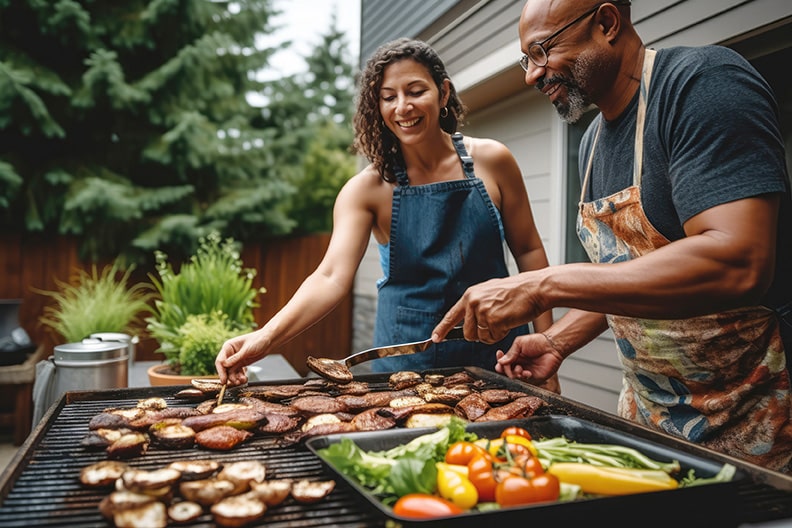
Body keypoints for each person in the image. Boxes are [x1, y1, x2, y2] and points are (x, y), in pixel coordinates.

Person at [432, 0, 792, 472]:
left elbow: (738, 260)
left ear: (605, 24)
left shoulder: (700, 84)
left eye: (542, 51)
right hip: (649, 425)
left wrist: (541, 284)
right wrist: (559, 341)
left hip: (757, 425)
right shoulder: (592, 141)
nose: (531, 75)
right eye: (527, 59)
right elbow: (628, 275)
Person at [216, 38, 558, 390]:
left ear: (443, 93)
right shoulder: (366, 190)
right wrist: (265, 337)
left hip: (501, 357)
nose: (403, 107)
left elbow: (530, 251)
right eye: (389, 96)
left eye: (415, 91)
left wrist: (550, 345)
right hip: (406, 365)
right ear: (377, 107)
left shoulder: (493, 160)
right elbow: (331, 277)